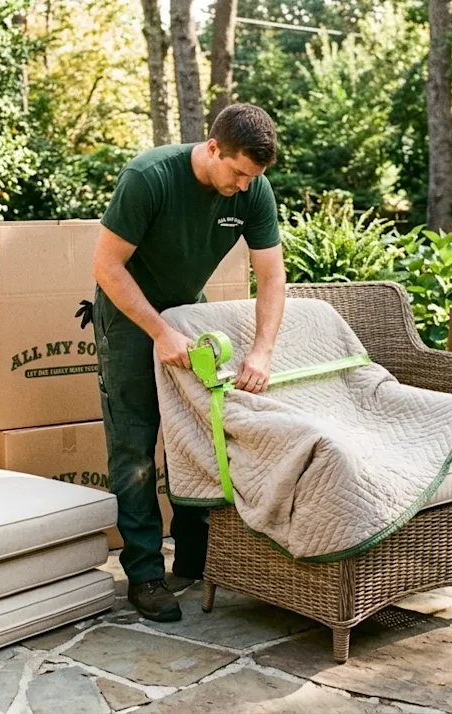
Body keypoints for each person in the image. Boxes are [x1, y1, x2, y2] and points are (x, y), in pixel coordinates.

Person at [91, 103, 287, 622]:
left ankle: (197, 556)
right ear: (213, 148)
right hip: (131, 319)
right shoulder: (148, 178)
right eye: (239, 172)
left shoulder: (253, 191)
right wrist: (158, 331)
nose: (245, 186)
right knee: (135, 446)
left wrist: (262, 351)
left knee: (199, 435)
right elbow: (106, 266)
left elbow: (271, 277)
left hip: (189, 316)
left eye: (255, 177)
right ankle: (145, 574)